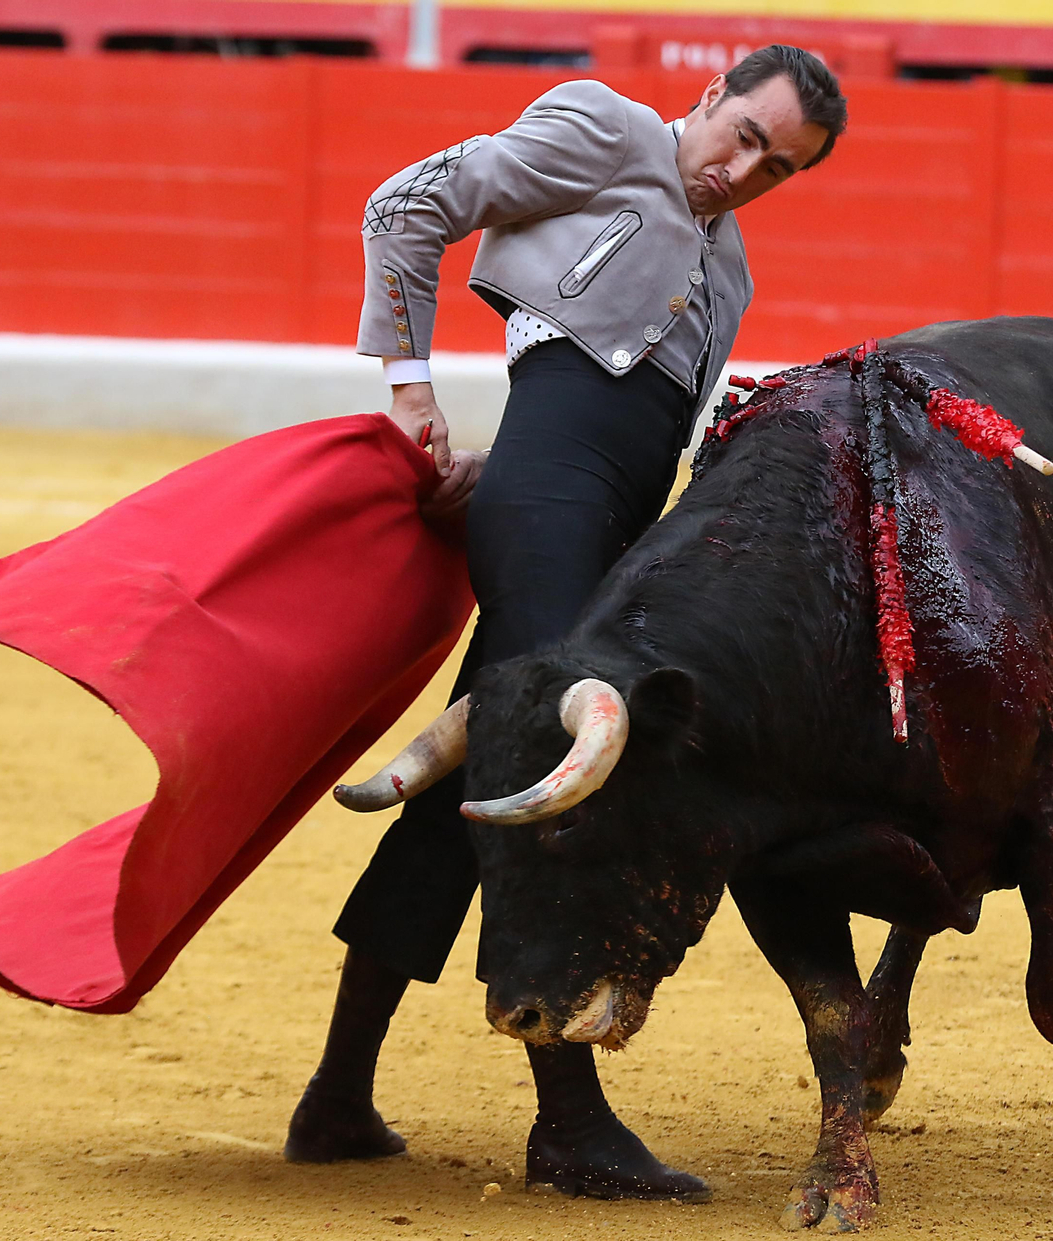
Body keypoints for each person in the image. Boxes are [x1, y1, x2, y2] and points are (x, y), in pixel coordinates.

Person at [285, 45, 848, 1201]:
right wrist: (410, 386)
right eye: (742, 134)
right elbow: (406, 204)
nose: (744, 172)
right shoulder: (605, 128)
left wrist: (507, 470)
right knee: (560, 759)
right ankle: (568, 1120)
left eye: (777, 167)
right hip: (548, 512)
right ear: (707, 98)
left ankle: (337, 1094)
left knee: (464, 795)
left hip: (593, 534)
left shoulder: (730, 272)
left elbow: (627, 436)